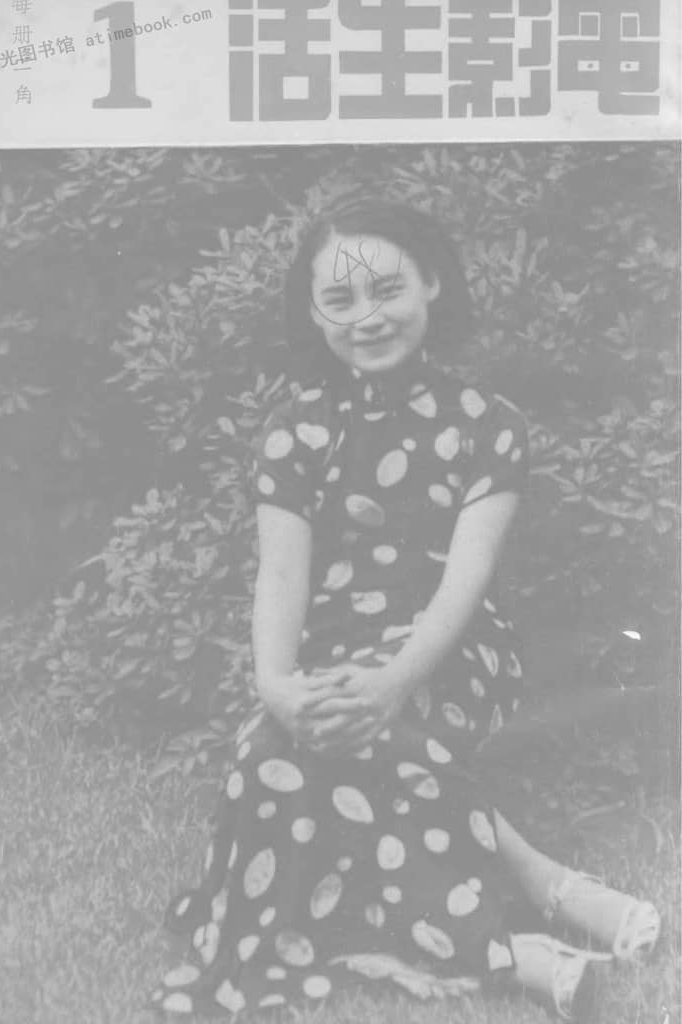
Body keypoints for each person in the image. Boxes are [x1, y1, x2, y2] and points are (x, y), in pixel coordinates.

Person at [150, 197, 660, 1021]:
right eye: (340, 298)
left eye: (386, 289)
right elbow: (280, 576)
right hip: (330, 650)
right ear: (312, 312)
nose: (367, 316)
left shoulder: (487, 426)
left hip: (454, 649)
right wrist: (276, 686)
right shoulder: (293, 431)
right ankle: (521, 942)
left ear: (430, 283)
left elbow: (465, 582)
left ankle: (544, 890)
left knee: (380, 730)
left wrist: (391, 683)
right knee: (268, 754)